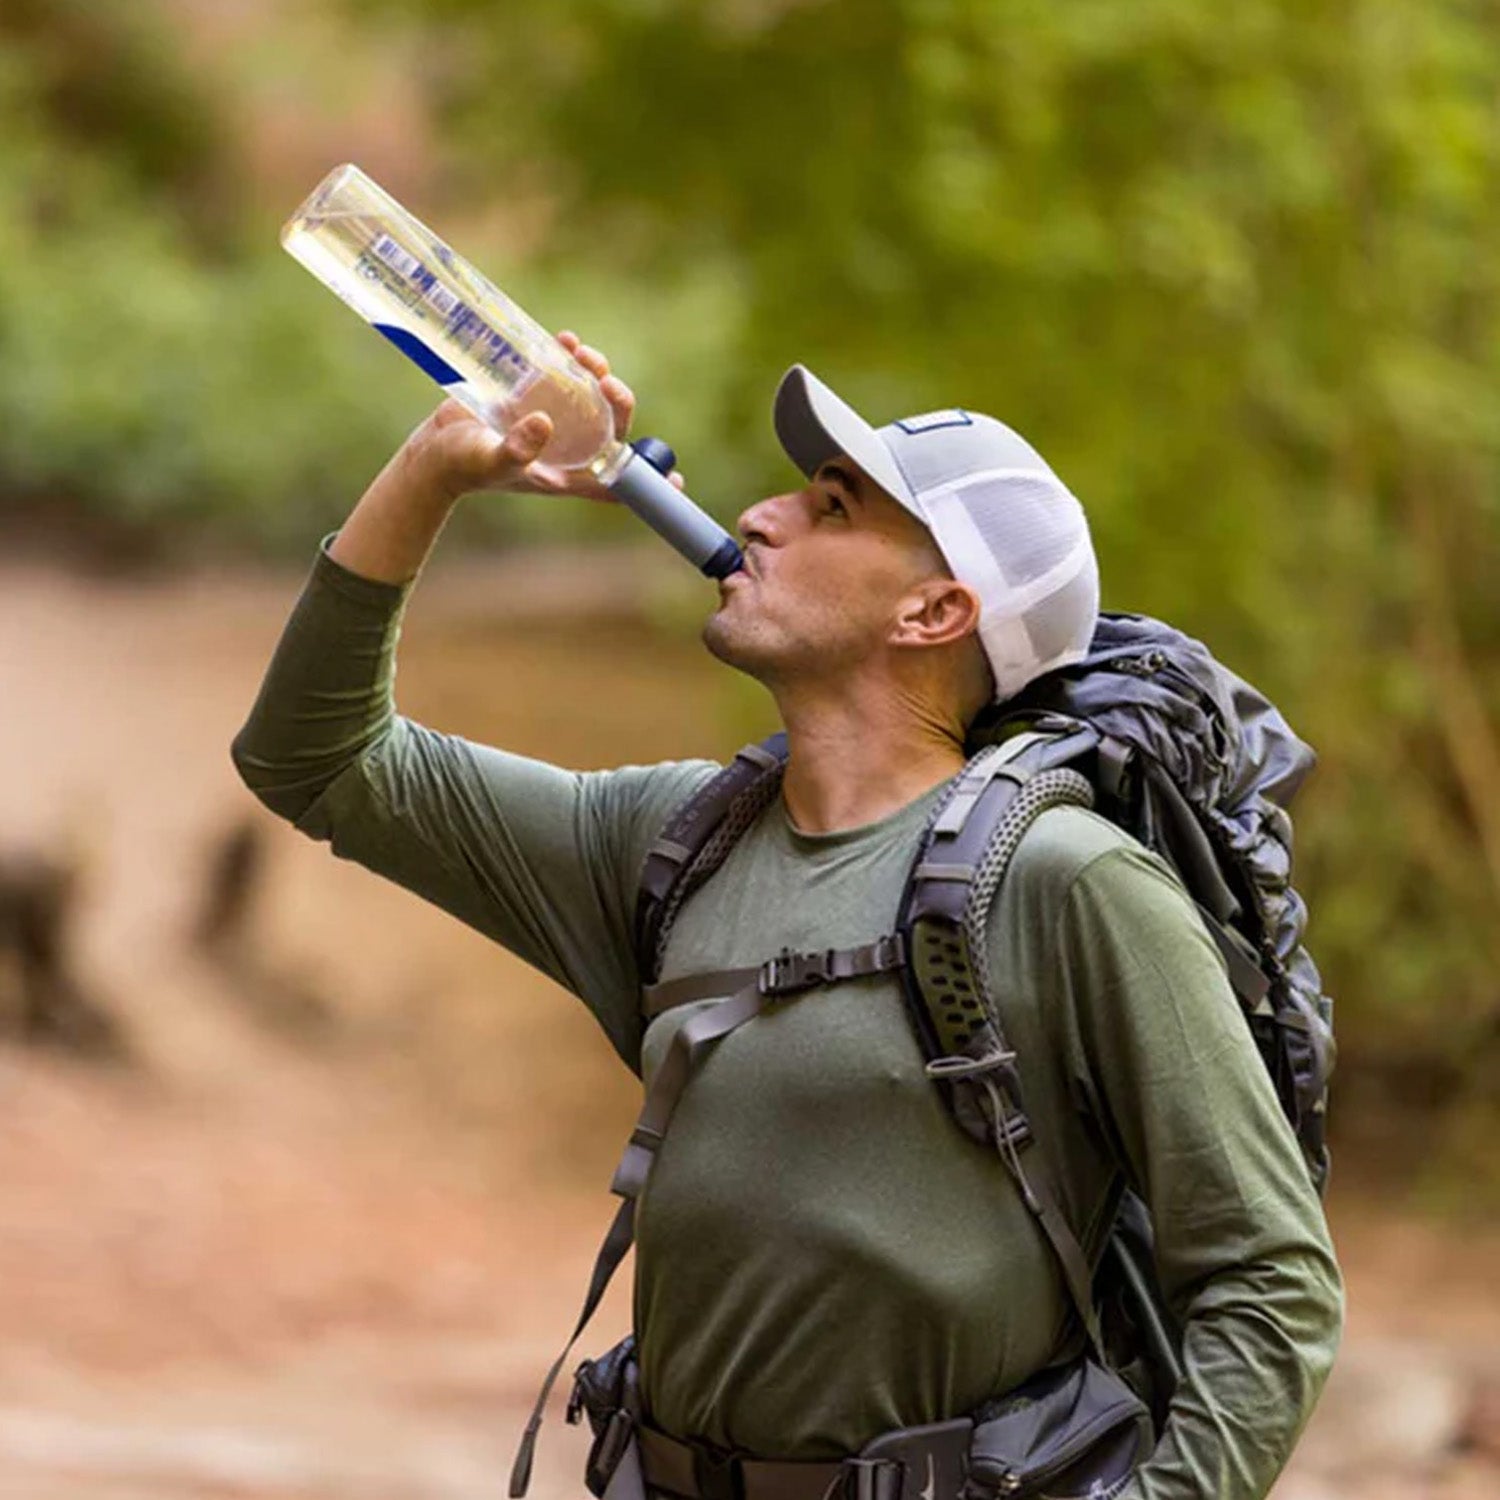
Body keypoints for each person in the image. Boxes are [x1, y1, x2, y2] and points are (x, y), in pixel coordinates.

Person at [232, 333, 1344, 1500]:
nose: (760, 516)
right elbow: (315, 758)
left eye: (828, 507)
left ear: (933, 610)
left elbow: (1270, 1281)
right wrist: (429, 473)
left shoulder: (1068, 880)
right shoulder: (674, 840)